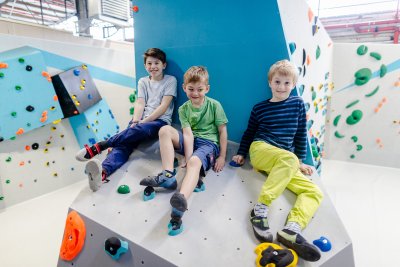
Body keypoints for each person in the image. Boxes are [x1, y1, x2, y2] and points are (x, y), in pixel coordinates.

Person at [231, 60, 323, 262]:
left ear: (293, 84)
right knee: (288, 158)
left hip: (285, 162)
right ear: (270, 83)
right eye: (278, 82)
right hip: (261, 150)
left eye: (287, 83)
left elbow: (300, 134)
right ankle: (259, 210)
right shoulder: (260, 108)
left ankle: (291, 230)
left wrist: (300, 160)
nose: (282, 87)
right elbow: (249, 133)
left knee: (313, 192)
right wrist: (242, 153)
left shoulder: (297, 103)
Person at [140, 66, 228, 236]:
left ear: (207, 89)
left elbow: (223, 131)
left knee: (195, 162)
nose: (195, 93)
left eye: (200, 89)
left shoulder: (215, 105)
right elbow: (187, 135)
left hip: (208, 144)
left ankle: (181, 200)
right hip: (191, 141)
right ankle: (167, 175)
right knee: (165, 130)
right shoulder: (184, 109)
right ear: (184, 88)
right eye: (191, 89)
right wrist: (187, 158)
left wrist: (222, 156)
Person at [75, 48, 177, 192]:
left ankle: (99, 146)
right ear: (145, 65)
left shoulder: (170, 80)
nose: (153, 66)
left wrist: (144, 121)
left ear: (164, 65)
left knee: (137, 130)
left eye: (156, 63)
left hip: (158, 122)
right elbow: (140, 103)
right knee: (123, 147)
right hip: (140, 122)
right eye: (149, 63)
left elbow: (164, 105)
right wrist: (135, 121)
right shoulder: (143, 81)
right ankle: (103, 173)